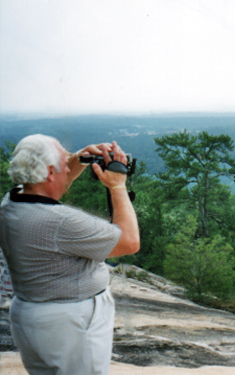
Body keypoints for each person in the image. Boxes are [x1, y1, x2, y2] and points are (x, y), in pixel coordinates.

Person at [0, 134, 140, 375]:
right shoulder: (60, 222)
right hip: (70, 322)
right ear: (50, 173)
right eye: (64, 163)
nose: (69, 167)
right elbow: (129, 242)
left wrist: (79, 159)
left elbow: (51, 188)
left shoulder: (12, 202)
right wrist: (118, 186)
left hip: (32, 314)